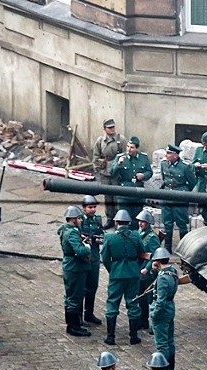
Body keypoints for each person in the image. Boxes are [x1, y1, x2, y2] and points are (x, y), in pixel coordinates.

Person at [101, 210, 146, 346]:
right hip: (133, 273)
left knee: (112, 303)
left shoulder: (109, 237)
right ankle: (133, 337)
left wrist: (113, 270)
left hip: (117, 273)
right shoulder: (136, 236)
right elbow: (142, 253)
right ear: (129, 223)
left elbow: (105, 258)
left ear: (116, 222)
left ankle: (111, 336)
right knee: (133, 303)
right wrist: (136, 267)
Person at [58, 205, 92, 337]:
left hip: (71, 266)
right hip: (75, 267)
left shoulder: (67, 229)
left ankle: (73, 324)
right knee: (75, 297)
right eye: (79, 218)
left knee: (71, 296)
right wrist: (87, 247)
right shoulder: (72, 232)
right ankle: (74, 326)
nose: (81, 220)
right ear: (73, 219)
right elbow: (80, 251)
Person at [159, 143, 197, 253]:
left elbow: (192, 182)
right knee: (167, 223)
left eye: (169, 153)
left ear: (176, 155)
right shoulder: (164, 164)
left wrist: (183, 192)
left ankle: (183, 248)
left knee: (181, 223)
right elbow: (164, 178)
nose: (167, 155)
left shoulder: (185, 167)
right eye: (167, 153)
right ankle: (167, 247)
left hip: (179, 197)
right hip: (166, 196)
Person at [110, 136, 153, 223]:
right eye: (128, 146)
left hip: (138, 193)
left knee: (136, 218)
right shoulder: (120, 157)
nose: (129, 149)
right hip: (124, 193)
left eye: (132, 147)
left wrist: (143, 175)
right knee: (123, 217)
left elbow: (149, 172)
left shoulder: (143, 158)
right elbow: (112, 173)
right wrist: (119, 164)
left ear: (137, 148)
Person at [149, 247, 178, 370]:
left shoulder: (162, 278)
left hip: (162, 311)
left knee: (161, 344)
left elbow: (160, 300)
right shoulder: (173, 271)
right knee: (170, 341)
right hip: (170, 308)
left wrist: (154, 314)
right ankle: (171, 368)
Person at [92, 118, 126, 227]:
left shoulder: (121, 140)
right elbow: (96, 156)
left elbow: (125, 156)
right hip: (104, 172)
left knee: (117, 198)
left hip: (116, 172)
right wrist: (97, 168)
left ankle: (118, 220)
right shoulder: (100, 141)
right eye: (109, 128)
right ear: (104, 129)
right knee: (108, 197)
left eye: (113, 127)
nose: (112, 129)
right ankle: (110, 219)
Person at [79, 195, 104, 326]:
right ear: (84, 208)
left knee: (92, 286)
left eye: (94, 207)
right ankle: (79, 316)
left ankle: (89, 313)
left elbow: (102, 233)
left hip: (94, 256)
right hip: (83, 257)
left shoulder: (97, 220)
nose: (93, 210)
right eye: (90, 207)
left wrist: (100, 239)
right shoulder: (79, 221)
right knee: (81, 288)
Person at [136, 209, 161, 332]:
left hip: (148, 272)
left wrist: (147, 268)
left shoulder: (152, 237)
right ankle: (143, 321)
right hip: (139, 268)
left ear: (148, 223)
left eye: (143, 222)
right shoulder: (138, 233)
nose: (141, 224)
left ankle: (153, 324)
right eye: (140, 221)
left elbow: (154, 256)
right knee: (141, 298)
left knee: (150, 299)